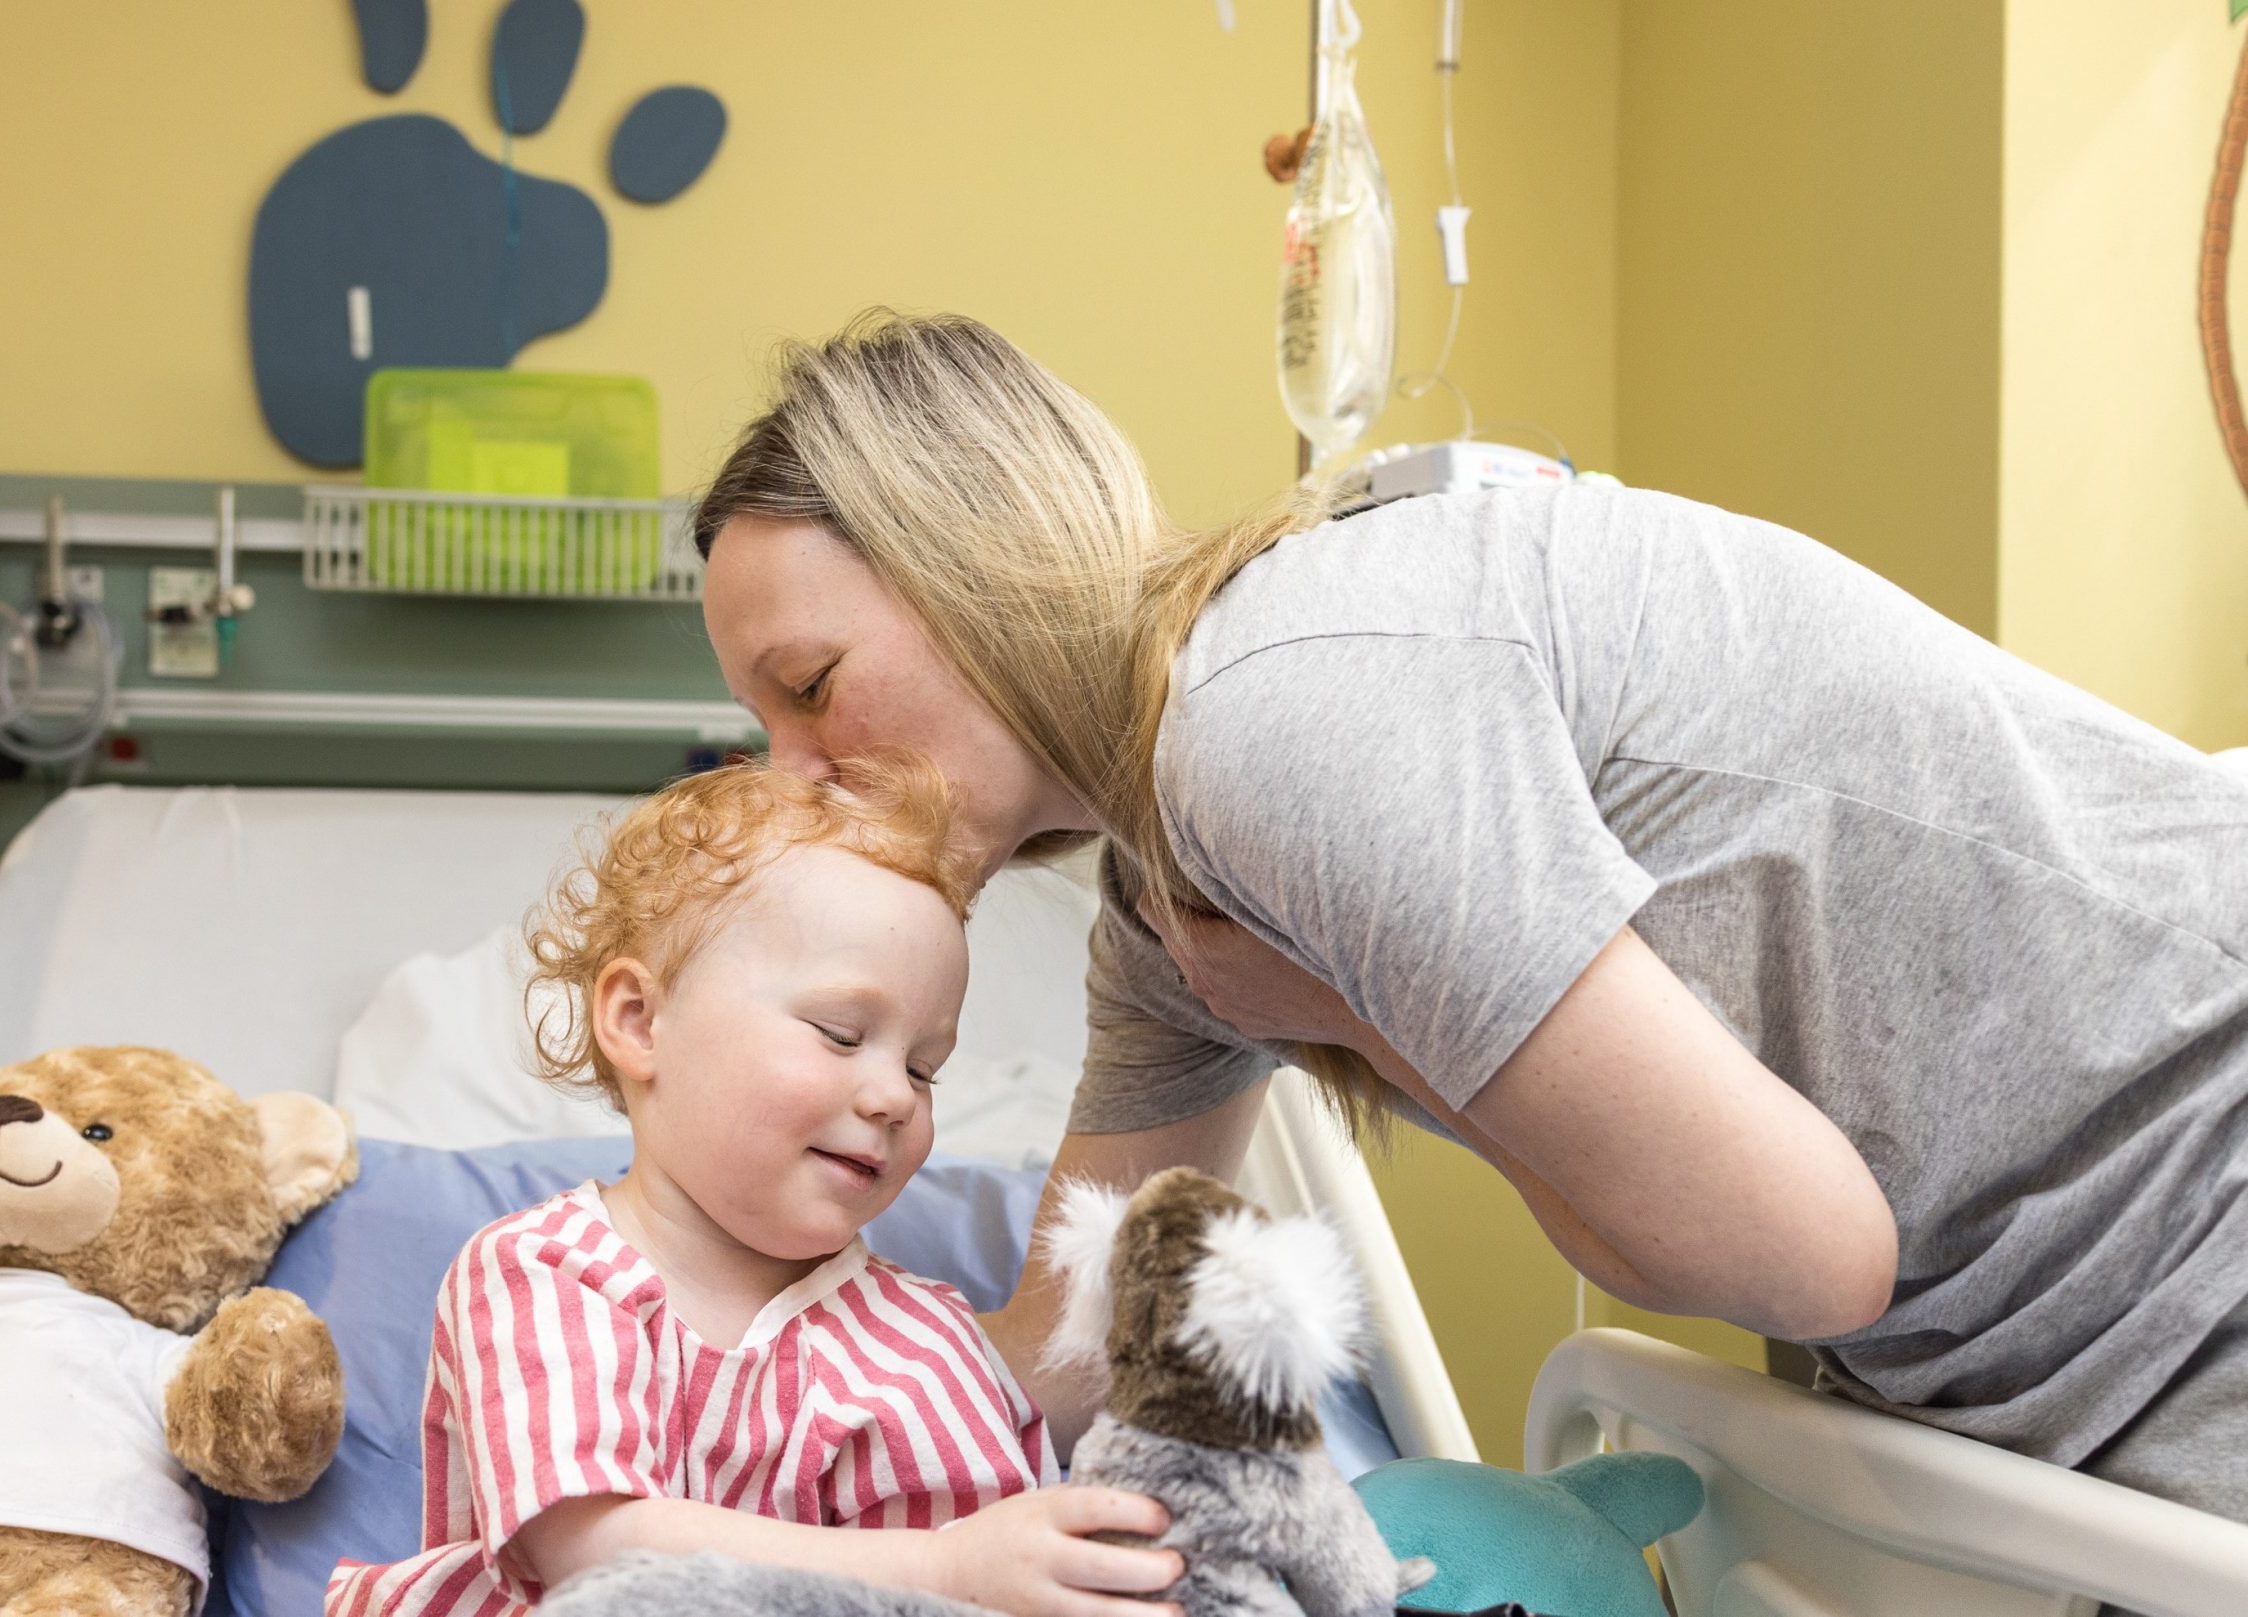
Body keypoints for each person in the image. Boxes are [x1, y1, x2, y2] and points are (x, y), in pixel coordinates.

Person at [692, 310, 2248, 1526]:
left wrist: (1346, 1015)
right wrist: (726, 1443)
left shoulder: (1278, 716)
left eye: (810, 688)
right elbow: (1078, 1330)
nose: (798, 773)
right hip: (2066, 1351)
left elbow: (1806, 1253)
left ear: (971, 560)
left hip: (2196, 1187)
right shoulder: (1172, 908)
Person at [325, 759, 1188, 1617]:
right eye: (841, 1033)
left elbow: (992, 1580)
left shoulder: (923, 1343)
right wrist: (946, 1562)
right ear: (639, 1020)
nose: (894, 1096)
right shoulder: (541, 1275)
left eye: (925, 1069)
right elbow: (592, 1554)